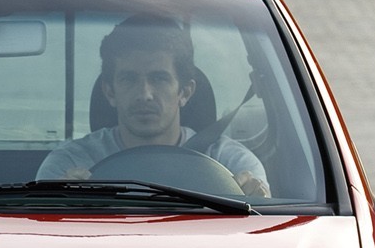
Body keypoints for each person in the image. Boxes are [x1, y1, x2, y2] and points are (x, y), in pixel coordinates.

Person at [37, 16, 270, 198]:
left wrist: (255, 199)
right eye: (129, 79)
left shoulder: (233, 167)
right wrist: (60, 200)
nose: (144, 94)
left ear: (185, 92)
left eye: (159, 79)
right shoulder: (67, 166)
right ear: (109, 91)